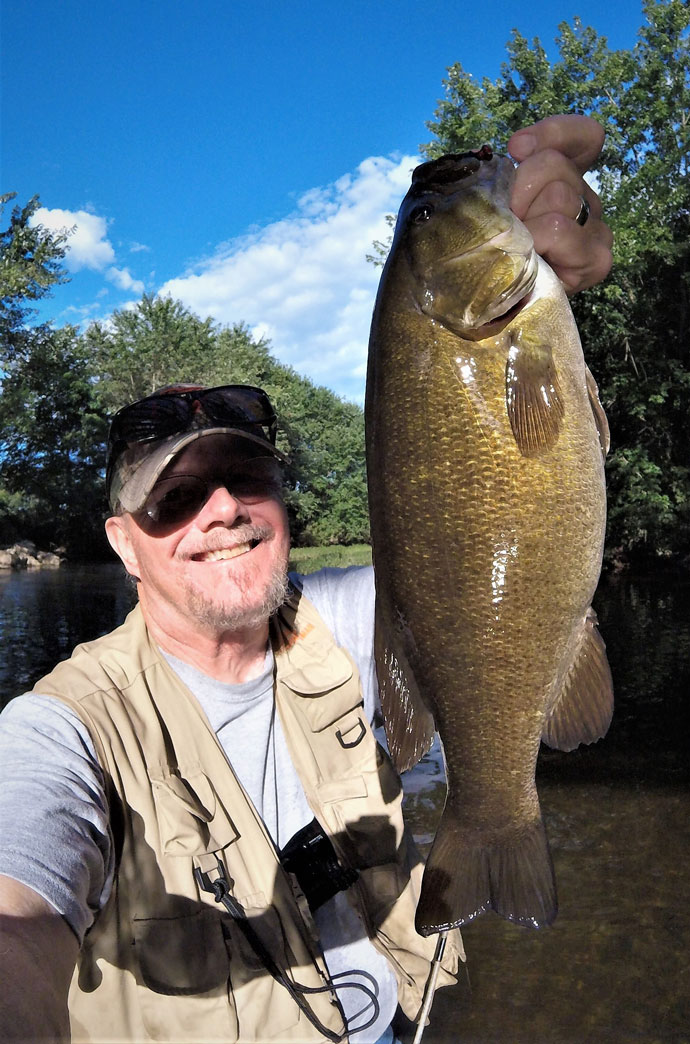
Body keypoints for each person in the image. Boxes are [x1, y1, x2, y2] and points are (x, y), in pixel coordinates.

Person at [0, 115, 613, 1043]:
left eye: (246, 478)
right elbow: (19, 919)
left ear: (281, 500)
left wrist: (558, 279)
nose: (222, 511)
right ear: (123, 545)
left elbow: (507, 540)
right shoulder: (62, 730)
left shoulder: (346, 621)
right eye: (176, 499)